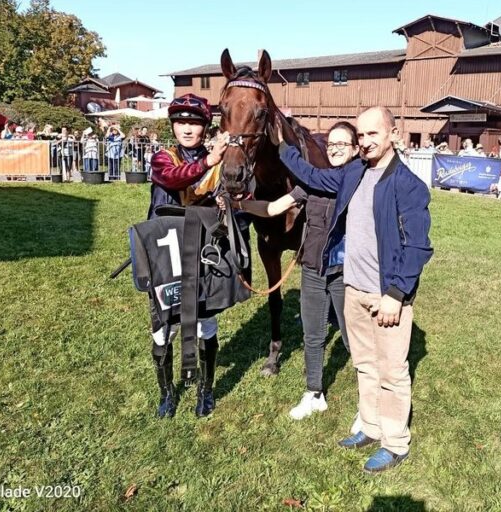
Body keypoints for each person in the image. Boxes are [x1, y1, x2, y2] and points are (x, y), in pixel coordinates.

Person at [276, 107, 433, 474]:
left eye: (372, 134)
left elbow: (418, 247)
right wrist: (281, 147)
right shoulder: (354, 170)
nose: (364, 142)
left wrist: (396, 293)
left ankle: (394, 442)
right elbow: (313, 176)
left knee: (392, 372)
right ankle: (370, 425)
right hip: (354, 288)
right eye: (360, 135)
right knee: (364, 365)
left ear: (394, 134)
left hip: (386, 295)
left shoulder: (408, 186)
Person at [220, 121, 359, 423]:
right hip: (312, 266)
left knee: (350, 337)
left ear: (355, 149)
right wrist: (237, 204)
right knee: (312, 333)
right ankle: (314, 393)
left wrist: (283, 147)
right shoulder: (312, 182)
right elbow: (273, 209)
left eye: (342, 144)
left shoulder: (356, 176)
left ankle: (369, 403)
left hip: (342, 269)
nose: (334, 149)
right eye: (331, 144)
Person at [146, 93, 230, 418]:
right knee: (162, 325)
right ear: (173, 125)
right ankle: (167, 393)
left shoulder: (217, 165)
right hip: (164, 254)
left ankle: (206, 391)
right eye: (181, 121)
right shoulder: (162, 158)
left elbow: (228, 195)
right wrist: (208, 163)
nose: (187, 128)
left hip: (201, 255)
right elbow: (172, 178)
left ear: (204, 128)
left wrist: (224, 202)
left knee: (206, 322)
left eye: (194, 122)